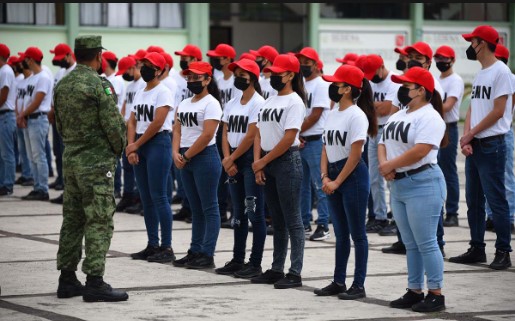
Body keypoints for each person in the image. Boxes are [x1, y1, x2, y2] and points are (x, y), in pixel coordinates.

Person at [54, 35, 128, 302]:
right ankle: (94, 281)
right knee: (98, 220)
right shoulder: (99, 84)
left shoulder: (62, 85)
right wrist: (117, 151)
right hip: (96, 164)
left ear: (75, 55)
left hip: (71, 160)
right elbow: (113, 124)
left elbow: (59, 125)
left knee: (72, 219)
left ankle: (67, 278)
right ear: (98, 57)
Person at [379, 66, 447, 312]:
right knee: (411, 243)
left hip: (423, 182)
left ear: (420, 90)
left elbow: (421, 150)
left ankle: (436, 294)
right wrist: (385, 166)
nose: (401, 89)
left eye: (406, 85)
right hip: (399, 184)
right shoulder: (400, 114)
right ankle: (415, 290)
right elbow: (383, 140)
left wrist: (389, 165)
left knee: (427, 242)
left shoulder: (430, 117)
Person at [449, 25, 513, 270]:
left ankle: (503, 250)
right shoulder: (481, 72)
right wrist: (467, 136)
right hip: (476, 143)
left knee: (496, 201)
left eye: (472, 41)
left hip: (492, 144)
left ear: (482, 43)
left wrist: (472, 133)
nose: (470, 45)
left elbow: (498, 112)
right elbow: (475, 107)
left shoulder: (501, 72)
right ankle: (477, 247)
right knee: (473, 200)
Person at [314, 64, 376, 300]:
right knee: (340, 233)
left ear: (348, 89)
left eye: (336, 84)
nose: (332, 87)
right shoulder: (333, 112)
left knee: (357, 235)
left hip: (352, 177)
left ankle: (358, 284)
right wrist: (324, 176)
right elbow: (325, 146)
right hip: (333, 174)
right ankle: (339, 281)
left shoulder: (357, 115)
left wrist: (337, 181)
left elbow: (356, 154)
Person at [250, 54, 306, 289]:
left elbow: (289, 138)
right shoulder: (268, 101)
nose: (272, 77)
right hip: (268, 162)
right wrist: (258, 162)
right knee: (277, 220)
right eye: (271, 73)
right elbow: (258, 133)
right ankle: (276, 268)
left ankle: (295, 272)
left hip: (286, 162)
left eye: (278, 74)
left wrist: (263, 161)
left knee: (293, 219)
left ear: (291, 75)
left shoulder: (295, 102)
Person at [215, 58, 267, 279]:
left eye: (242, 75)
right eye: (235, 74)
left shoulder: (259, 102)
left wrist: (232, 158)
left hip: (246, 160)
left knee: (254, 213)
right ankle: (237, 259)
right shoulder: (232, 102)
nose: (237, 79)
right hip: (232, 159)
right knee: (238, 215)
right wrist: (227, 158)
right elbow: (224, 131)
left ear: (253, 78)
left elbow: (252, 134)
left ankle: (254, 263)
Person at [172, 61, 223, 269]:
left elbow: (208, 134)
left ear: (207, 80)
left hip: (205, 158)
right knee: (195, 208)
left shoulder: (211, 103)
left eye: (196, 78)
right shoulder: (184, 103)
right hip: (185, 157)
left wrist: (186, 156)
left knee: (209, 207)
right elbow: (177, 129)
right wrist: (176, 153)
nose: (192, 81)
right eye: (189, 78)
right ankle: (195, 250)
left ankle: (207, 253)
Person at [127, 52, 176, 263]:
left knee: (159, 196)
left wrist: (136, 144)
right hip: (140, 143)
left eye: (149, 65)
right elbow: (132, 120)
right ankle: (152, 244)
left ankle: (166, 247)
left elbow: (158, 122)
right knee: (146, 198)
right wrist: (131, 146)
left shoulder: (163, 91)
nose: (144, 67)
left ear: (159, 71)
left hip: (157, 143)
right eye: (143, 64)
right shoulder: (140, 91)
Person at [358, 54, 400, 236]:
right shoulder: (370, 81)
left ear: (382, 66)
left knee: (390, 176)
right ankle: (379, 217)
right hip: (373, 129)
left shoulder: (394, 80)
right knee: (374, 176)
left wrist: (370, 105)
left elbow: (387, 109)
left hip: (389, 130)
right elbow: (362, 105)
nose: (371, 77)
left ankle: (396, 218)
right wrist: (374, 105)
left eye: (373, 72)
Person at [294, 47, 331, 241]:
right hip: (301, 140)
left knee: (320, 183)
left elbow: (316, 114)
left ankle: (323, 224)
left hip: (316, 140)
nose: (303, 66)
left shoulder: (321, 84)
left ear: (316, 65)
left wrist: (296, 131)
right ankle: (304, 221)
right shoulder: (300, 83)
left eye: (306, 62)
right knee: (302, 185)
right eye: (300, 62)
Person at [172, 44, 204, 223]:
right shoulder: (179, 78)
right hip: (182, 128)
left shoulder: (205, 83)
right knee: (183, 175)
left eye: (186, 57)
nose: (182, 60)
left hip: (199, 134)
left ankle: (194, 210)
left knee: (199, 180)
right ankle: (186, 206)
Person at [485, 44, 515, 234]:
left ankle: (509, 216)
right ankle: (491, 216)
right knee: (491, 178)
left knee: (505, 176)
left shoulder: (507, 76)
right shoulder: (489, 74)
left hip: (503, 131)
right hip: (490, 130)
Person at [433, 45, 464, 228]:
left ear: (452, 60)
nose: (441, 63)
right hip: (435, 126)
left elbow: (448, 106)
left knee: (448, 169)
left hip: (448, 127)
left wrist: (428, 109)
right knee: (435, 169)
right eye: (438, 59)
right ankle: (440, 209)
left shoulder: (455, 80)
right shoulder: (438, 80)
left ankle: (452, 212)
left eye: (444, 59)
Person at [207, 43, 237, 227]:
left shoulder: (235, 80)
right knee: (221, 173)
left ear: (227, 59)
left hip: (232, 128)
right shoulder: (217, 78)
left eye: (218, 57)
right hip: (218, 127)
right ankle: (221, 211)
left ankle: (235, 213)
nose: (215, 60)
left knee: (232, 172)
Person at [17, 47, 53, 201]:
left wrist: (22, 114)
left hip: (38, 119)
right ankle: (37, 186)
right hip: (29, 119)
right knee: (32, 156)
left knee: (39, 156)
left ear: (31, 60)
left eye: (26, 59)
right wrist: (22, 115)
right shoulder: (32, 77)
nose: (24, 61)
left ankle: (43, 189)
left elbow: (37, 100)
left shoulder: (43, 77)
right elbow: (26, 100)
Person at [48, 43, 78, 205]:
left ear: (69, 55)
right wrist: (52, 109)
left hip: (70, 122)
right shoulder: (60, 73)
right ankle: (62, 182)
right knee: (59, 153)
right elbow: (55, 94)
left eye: (60, 58)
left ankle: (70, 191)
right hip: (58, 119)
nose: (58, 61)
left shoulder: (76, 72)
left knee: (69, 156)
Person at [117, 54, 146, 215]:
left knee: (137, 167)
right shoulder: (130, 86)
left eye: (125, 71)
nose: (124, 75)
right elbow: (125, 106)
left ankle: (138, 198)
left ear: (132, 68)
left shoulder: (142, 84)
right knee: (127, 165)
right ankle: (127, 195)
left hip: (137, 129)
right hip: (127, 129)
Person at [0, 44, 17, 196]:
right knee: (2, 153)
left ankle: (8, 184)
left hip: (5, 115)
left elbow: (3, 95)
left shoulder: (5, 71)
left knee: (7, 153)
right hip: (3, 116)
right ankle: (3, 182)